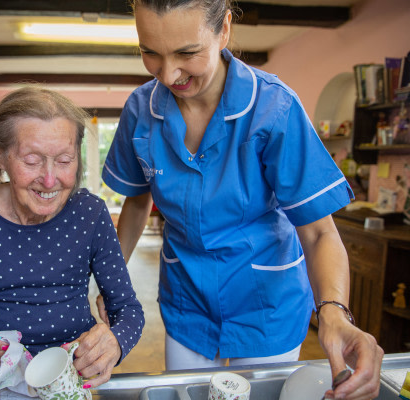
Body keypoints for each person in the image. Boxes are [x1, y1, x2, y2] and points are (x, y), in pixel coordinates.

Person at [100, 1, 383, 399]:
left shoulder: (274, 108)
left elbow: (319, 232)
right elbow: (135, 202)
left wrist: (334, 312)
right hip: (187, 300)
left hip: (267, 301)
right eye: (150, 53)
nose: (168, 74)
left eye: (187, 53)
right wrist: (109, 284)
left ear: (224, 30)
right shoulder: (140, 110)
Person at [0, 87, 144, 388]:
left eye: (65, 160)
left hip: (71, 378)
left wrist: (116, 343)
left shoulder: (90, 213)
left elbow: (128, 309)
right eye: (31, 160)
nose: (51, 180)